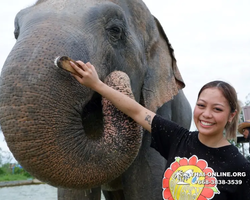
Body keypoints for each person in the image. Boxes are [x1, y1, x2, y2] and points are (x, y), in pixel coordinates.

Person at [69, 61, 250, 200]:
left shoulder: (238, 166)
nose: (206, 114)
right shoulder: (178, 139)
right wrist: (97, 85)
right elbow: (137, 111)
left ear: (231, 116)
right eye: (201, 105)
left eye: (217, 109)